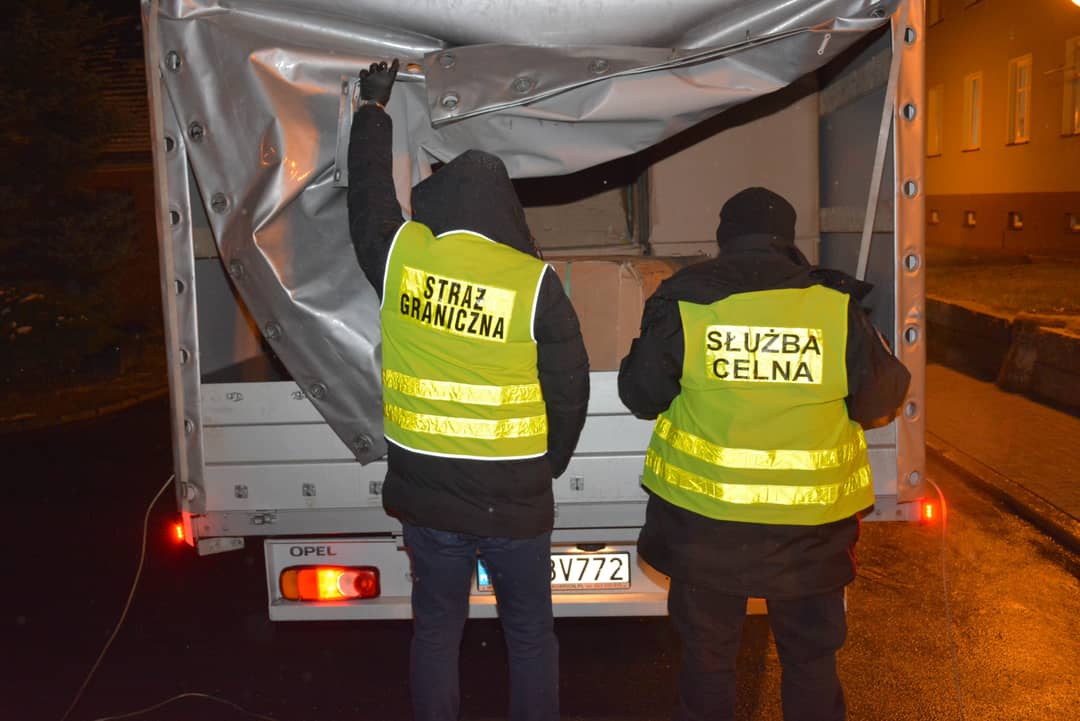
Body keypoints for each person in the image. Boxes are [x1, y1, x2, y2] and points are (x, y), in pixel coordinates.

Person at [347, 60, 589, 721]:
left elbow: (368, 197)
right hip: (515, 503)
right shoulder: (533, 281)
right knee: (530, 636)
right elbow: (569, 386)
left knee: (436, 633)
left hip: (428, 500)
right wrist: (550, 462)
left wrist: (372, 111)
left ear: (440, 206)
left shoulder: (404, 258)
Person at [618, 187, 911, 721]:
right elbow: (880, 399)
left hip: (706, 531)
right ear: (787, 238)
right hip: (808, 538)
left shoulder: (688, 300)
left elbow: (640, 394)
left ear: (725, 237)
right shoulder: (833, 306)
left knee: (708, 665)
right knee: (810, 664)